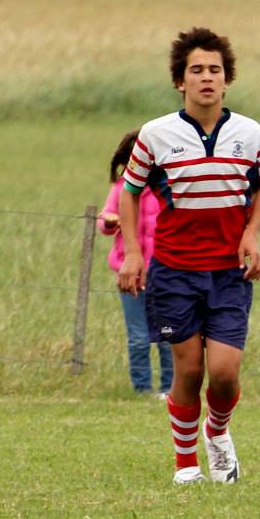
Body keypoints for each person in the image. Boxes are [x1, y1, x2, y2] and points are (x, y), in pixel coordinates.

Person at [118, 27, 260, 484]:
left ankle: (217, 433)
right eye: (197, 70)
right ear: (180, 81)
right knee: (187, 369)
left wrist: (252, 235)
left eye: (215, 70)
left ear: (227, 81)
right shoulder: (156, 135)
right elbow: (129, 193)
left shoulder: (250, 133)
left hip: (227, 273)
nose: (207, 78)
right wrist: (131, 254)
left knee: (223, 374)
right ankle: (186, 464)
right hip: (174, 272)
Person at [98, 129, 173, 396]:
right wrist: (108, 222)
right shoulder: (120, 190)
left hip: (164, 272)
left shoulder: (164, 189)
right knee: (139, 336)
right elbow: (105, 219)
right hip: (128, 273)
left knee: (167, 335)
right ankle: (141, 389)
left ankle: (169, 389)